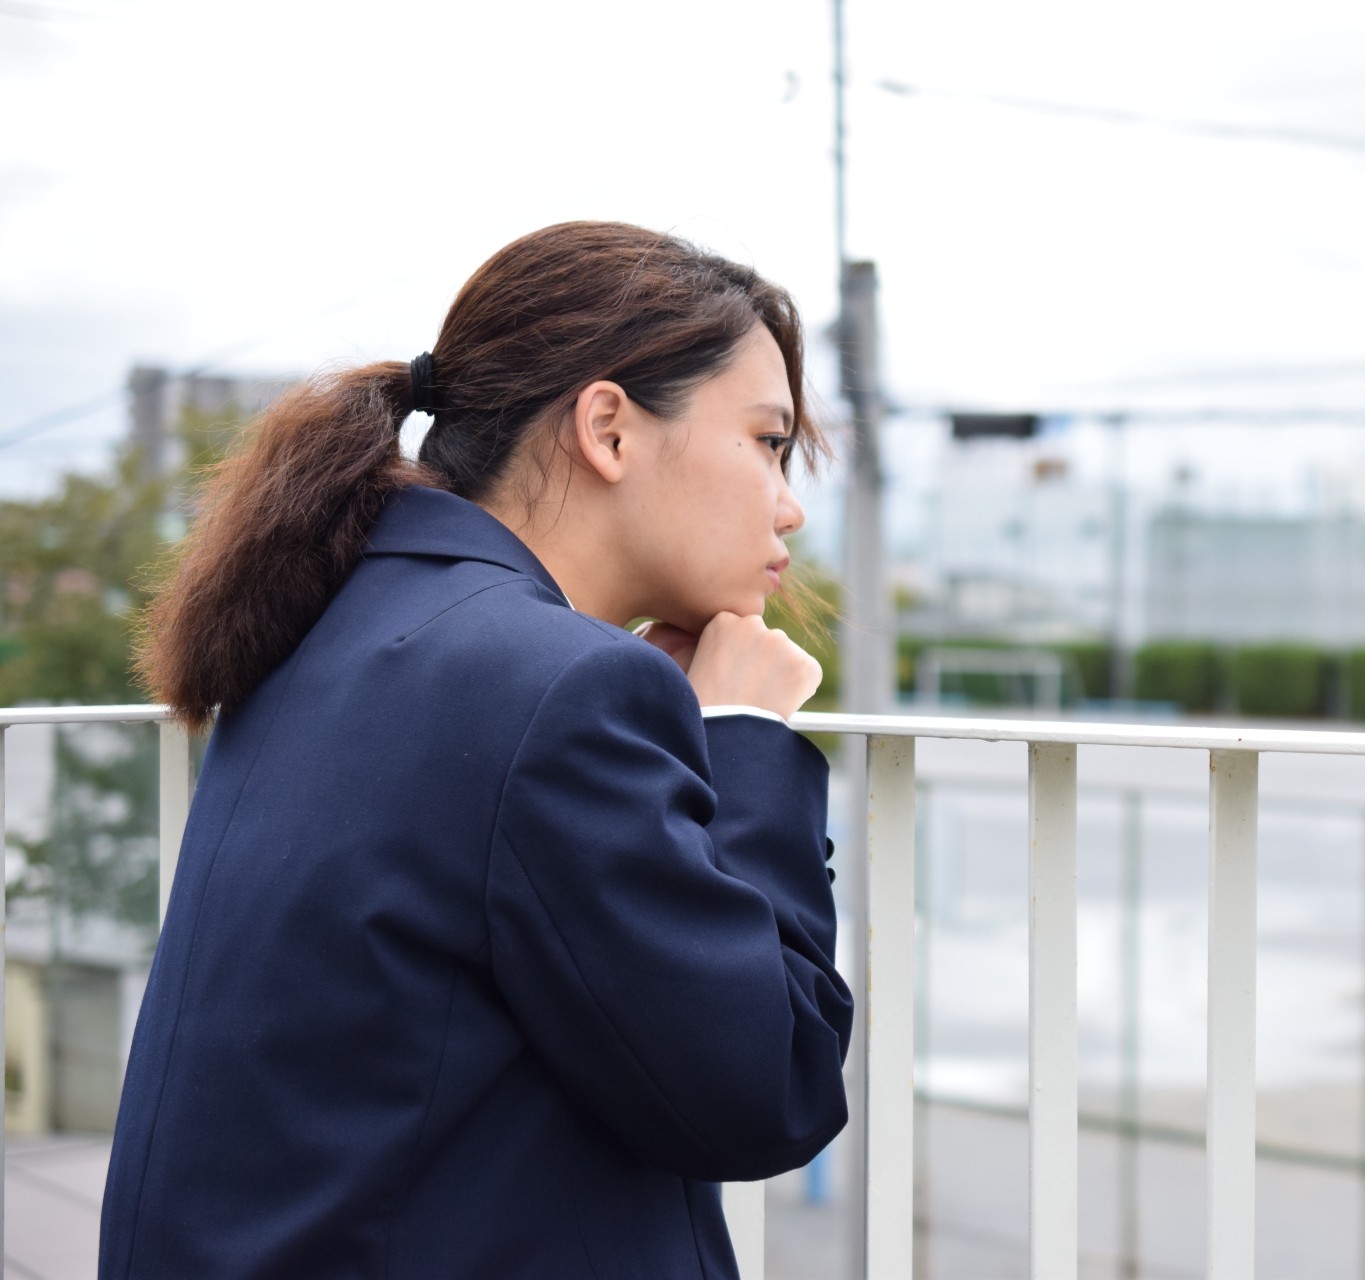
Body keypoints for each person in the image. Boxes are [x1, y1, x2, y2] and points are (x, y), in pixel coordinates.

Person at [99, 222, 853, 1279]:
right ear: (609, 428)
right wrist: (746, 740)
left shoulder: (342, 622)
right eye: (768, 442)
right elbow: (768, 1086)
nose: (790, 503)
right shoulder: (557, 687)